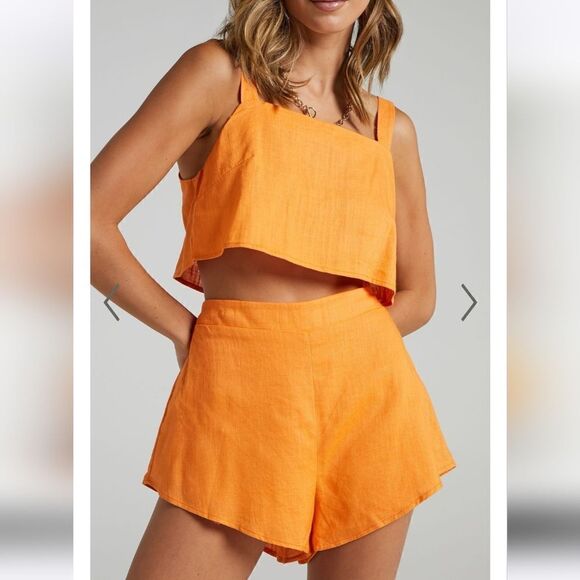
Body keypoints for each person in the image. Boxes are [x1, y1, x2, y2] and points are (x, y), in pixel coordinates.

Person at [91, 1, 456, 578]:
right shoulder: (217, 77)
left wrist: (330, 343)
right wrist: (184, 329)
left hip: (369, 402)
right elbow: (85, 222)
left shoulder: (392, 132)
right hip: (240, 386)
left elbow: (420, 295)